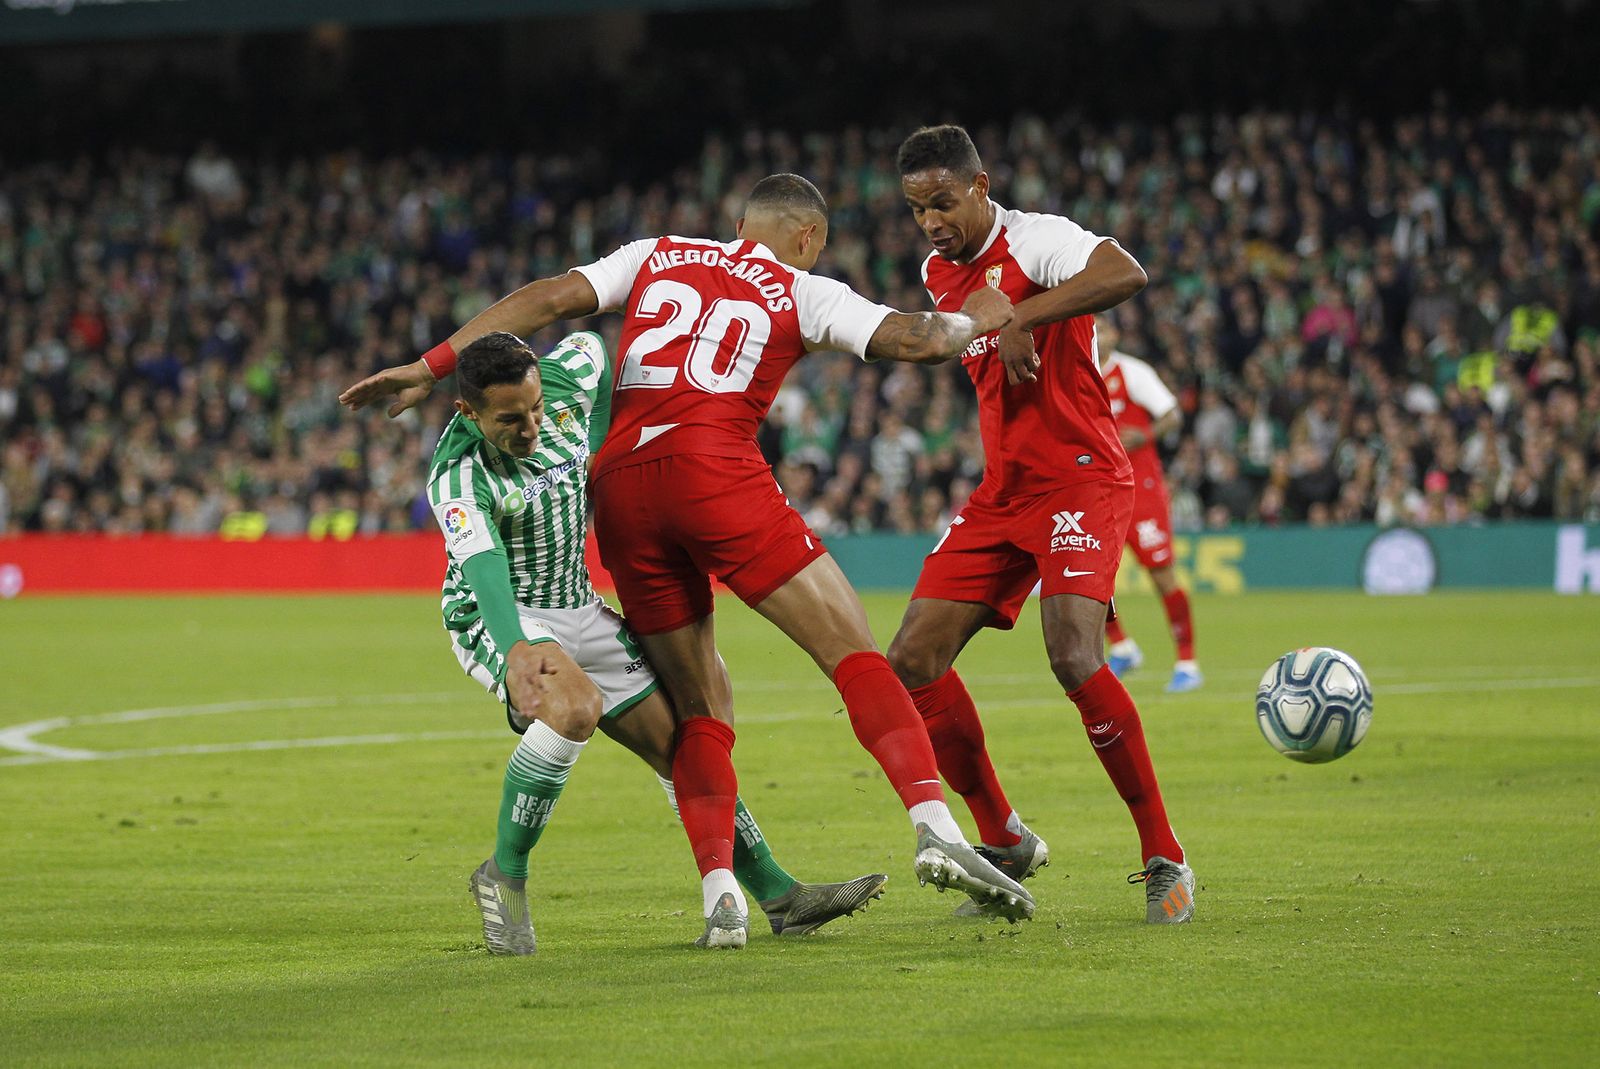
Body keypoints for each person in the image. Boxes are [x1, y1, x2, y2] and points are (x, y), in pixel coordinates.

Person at [340, 173, 1034, 950]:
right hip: (673, 498)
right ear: (808, 238)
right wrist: (978, 316)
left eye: (534, 408)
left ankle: (738, 896)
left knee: (694, 718)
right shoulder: (803, 288)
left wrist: (430, 364)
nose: (532, 423)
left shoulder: (654, 256)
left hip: (621, 503)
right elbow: (919, 339)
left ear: (739, 224)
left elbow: (549, 300)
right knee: (848, 651)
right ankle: (935, 825)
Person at [397, 329, 886, 954]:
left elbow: (592, 348)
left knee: (682, 744)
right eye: (510, 421)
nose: (531, 428)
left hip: (578, 603)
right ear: (468, 411)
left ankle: (779, 895)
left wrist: (603, 454)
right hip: (505, 614)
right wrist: (517, 650)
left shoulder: (567, 380)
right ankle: (504, 875)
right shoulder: (457, 477)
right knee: (575, 708)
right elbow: (484, 567)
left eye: (537, 409)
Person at [884, 125, 1195, 924]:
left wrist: (1019, 315)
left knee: (1073, 654)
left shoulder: (1039, 239)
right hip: (1004, 490)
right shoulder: (935, 273)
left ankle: (1164, 854)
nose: (931, 222)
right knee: (911, 660)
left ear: (981, 185)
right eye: (917, 209)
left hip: (1081, 478)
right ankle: (1005, 839)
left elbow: (1125, 272)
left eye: (943, 202)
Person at [1095, 315, 1203, 692]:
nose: (1096, 335)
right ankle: (1122, 647)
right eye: (1090, 329)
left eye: (1102, 328)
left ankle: (1187, 662)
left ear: (1116, 334)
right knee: (1088, 575)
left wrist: (1145, 434)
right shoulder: (1076, 370)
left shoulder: (1132, 372)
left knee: (1162, 576)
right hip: (1098, 492)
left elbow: (1172, 415)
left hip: (1141, 489)